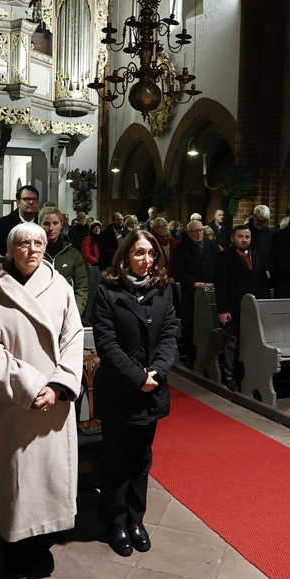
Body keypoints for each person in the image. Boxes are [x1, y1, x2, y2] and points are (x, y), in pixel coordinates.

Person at [0, 222, 83, 579]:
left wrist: (58, 385)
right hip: (13, 402)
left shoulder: (60, 286)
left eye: (38, 242)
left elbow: (73, 338)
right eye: (24, 243)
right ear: (10, 249)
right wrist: (31, 387)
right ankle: (13, 548)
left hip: (53, 401)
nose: (33, 248)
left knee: (47, 480)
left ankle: (40, 546)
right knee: (15, 481)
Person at [93, 229, 176, 557]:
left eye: (152, 254)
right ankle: (115, 522)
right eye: (140, 253)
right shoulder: (107, 292)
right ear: (125, 255)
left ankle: (136, 519)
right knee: (116, 459)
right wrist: (137, 376)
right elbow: (106, 344)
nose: (147, 260)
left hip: (152, 390)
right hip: (120, 390)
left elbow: (170, 333)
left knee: (141, 459)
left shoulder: (162, 290)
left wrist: (157, 371)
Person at [213, 226, 270, 391]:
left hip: (253, 307)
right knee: (232, 342)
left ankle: (247, 375)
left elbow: (263, 282)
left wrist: (264, 305)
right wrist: (223, 310)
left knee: (252, 342)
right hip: (232, 306)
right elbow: (221, 285)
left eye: (247, 237)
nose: (244, 240)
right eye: (240, 236)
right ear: (233, 238)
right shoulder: (224, 257)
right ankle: (229, 376)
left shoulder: (257, 255)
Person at [172, 219, 216, 365]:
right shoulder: (181, 247)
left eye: (200, 230)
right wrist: (194, 283)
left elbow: (219, 266)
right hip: (191, 292)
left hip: (210, 290)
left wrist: (213, 282)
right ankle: (190, 355)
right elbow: (179, 270)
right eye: (194, 231)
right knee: (190, 323)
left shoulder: (211, 246)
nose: (198, 233)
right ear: (189, 233)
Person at [39, 207, 89, 318]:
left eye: (55, 223)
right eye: (46, 223)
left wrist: (75, 313)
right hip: (39, 314)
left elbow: (81, 287)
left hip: (66, 313)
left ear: (61, 224)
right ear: (39, 225)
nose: (51, 228)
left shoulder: (73, 254)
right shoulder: (34, 253)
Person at [0, 185, 41, 255]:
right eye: (27, 199)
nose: (31, 202)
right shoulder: (3, 224)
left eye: (34, 199)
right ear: (18, 203)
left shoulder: (43, 223)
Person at [245, 205, 276, 281]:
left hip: (266, 273)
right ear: (254, 216)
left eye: (265, 221)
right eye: (260, 221)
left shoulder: (269, 233)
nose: (263, 224)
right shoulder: (245, 231)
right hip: (248, 272)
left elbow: (273, 253)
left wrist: (269, 270)